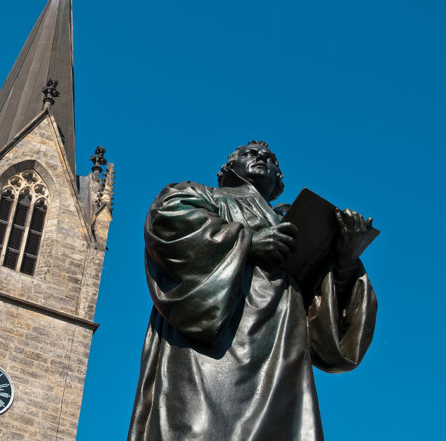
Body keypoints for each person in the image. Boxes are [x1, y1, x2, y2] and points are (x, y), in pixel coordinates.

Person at [127, 141, 377, 441]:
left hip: (278, 358)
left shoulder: (292, 223)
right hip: (210, 352)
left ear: (279, 179)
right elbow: (166, 220)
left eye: (271, 159)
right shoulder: (200, 195)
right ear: (229, 167)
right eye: (251, 153)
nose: (262, 157)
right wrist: (248, 242)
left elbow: (329, 332)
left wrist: (345, 261)